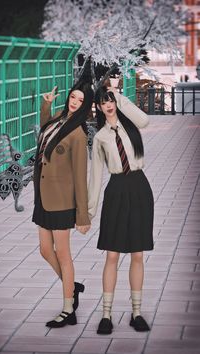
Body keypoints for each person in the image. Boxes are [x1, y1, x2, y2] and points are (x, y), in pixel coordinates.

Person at [88, 86, 154, 335]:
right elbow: (95, 176)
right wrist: (89, 212)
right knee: (112, 255)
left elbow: (145, 119)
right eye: (103, 101)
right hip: (116, 190)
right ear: (98, 107)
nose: (109, 105)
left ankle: (136, 312)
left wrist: (120, 97)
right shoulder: (101, 138)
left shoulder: (131, 126)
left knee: (137, 254)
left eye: (111, 100)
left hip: (139, 187)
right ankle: (106, 314)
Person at [32, 81, 93, 328]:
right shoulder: (59, 116)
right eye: (73, 97)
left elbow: (80, 176)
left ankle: (68, 309)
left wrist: (83, 215)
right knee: (45, 250)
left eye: (80, 100)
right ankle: (73, 287)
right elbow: (45, 129)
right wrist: (46, 104)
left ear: (85, 105)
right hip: (43, 196)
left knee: (63, 254)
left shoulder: (78, 133)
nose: (74, 102)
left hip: (62, 201)